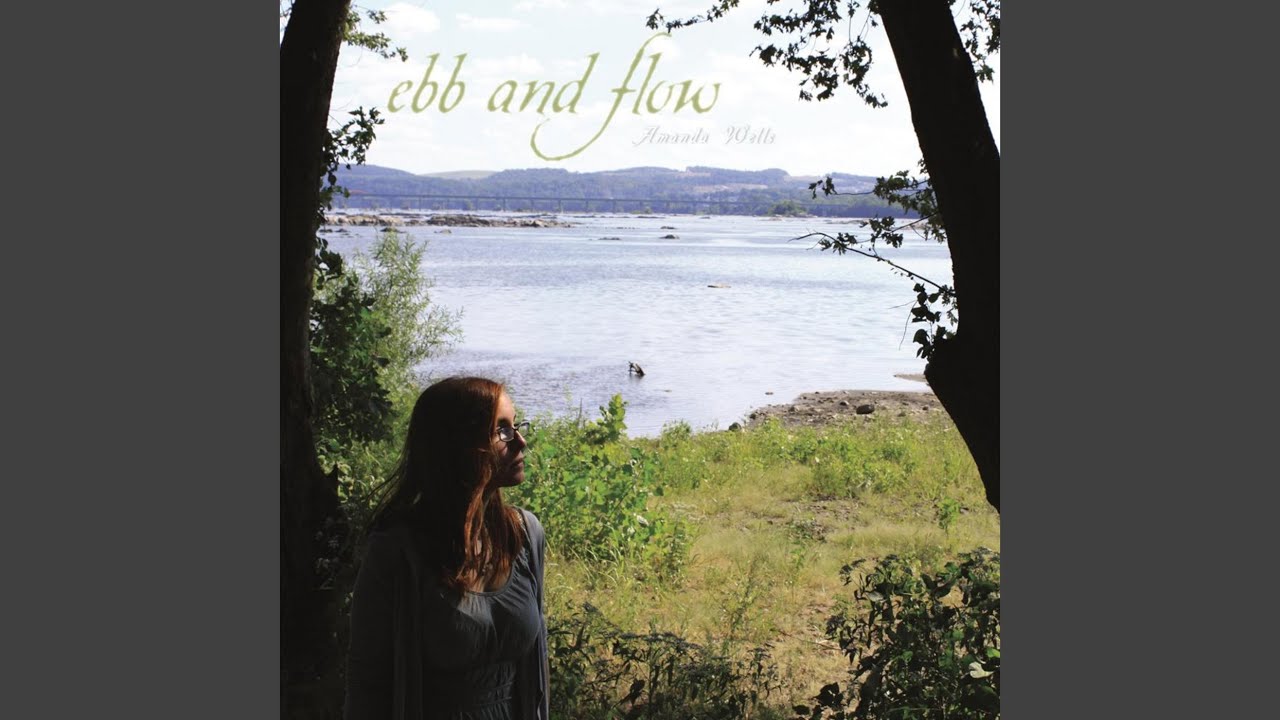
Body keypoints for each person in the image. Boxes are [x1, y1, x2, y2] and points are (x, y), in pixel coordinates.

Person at [344, 376, 548, 720]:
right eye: (501, 430)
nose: (521, 442)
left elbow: (536, 671)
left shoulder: (524, 535)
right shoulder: (398, 552)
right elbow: (367, 682)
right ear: (459, 444)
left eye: (516, 426)